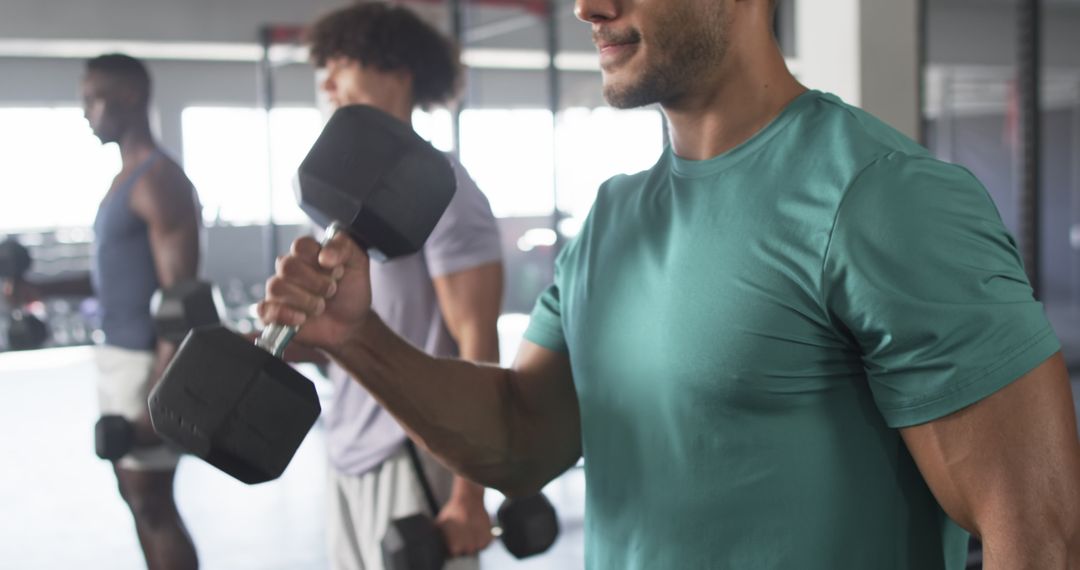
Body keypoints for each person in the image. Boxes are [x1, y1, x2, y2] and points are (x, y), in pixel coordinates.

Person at [260, 0, 1080, 568]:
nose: (587, 8)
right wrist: (356, 338)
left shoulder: (881, 197)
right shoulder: (611, 221)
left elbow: (1039, 536)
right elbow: (522, 436)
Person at [303, 4, 503, 570]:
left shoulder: (446, 192)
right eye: (324, 69)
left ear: (397, 70)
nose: (327, 83)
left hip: (416, 455)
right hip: (348, 452)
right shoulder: (339, 197)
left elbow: (479, 344)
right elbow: (348, 333)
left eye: (342, 64)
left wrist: (469, 496)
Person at [8, 54, 201, 569]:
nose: (85, 112)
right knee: (136, 496)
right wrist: (39, 288)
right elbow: (114, 278)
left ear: (130, 96)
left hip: (145, 363)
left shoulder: (158, 180)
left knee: (152, 500)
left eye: (93, 99)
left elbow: (182, 298)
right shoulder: (125, 179)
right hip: (119, 357)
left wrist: (160, 394)